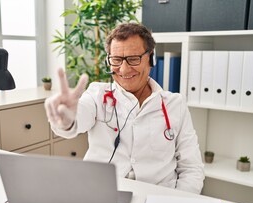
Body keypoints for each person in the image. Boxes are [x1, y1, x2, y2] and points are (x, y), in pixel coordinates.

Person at [45, 23, 204, 194]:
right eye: (116, 60)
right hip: (102, 194)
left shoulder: (175, 104)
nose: (124, 69)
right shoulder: (97, 95)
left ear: (151, 58)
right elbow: (78, 118)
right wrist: (67, 120)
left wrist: (178, 202)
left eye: (133, 59)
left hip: (157, 199)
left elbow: (192, 168)